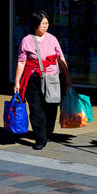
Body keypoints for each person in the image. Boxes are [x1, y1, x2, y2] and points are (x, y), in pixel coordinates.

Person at [14, 10, 71, 150]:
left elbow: (61, 58)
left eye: (47, 22)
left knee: (51, 108)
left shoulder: (52, 39)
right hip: (33, 79)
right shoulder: (26, 40)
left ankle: (47, 132)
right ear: (35, 24)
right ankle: (40, 138)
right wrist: (17, 82)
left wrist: (67, 77)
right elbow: (21, 62)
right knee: (36, 109)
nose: (46, 25)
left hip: (52, 79)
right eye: (42, 23)